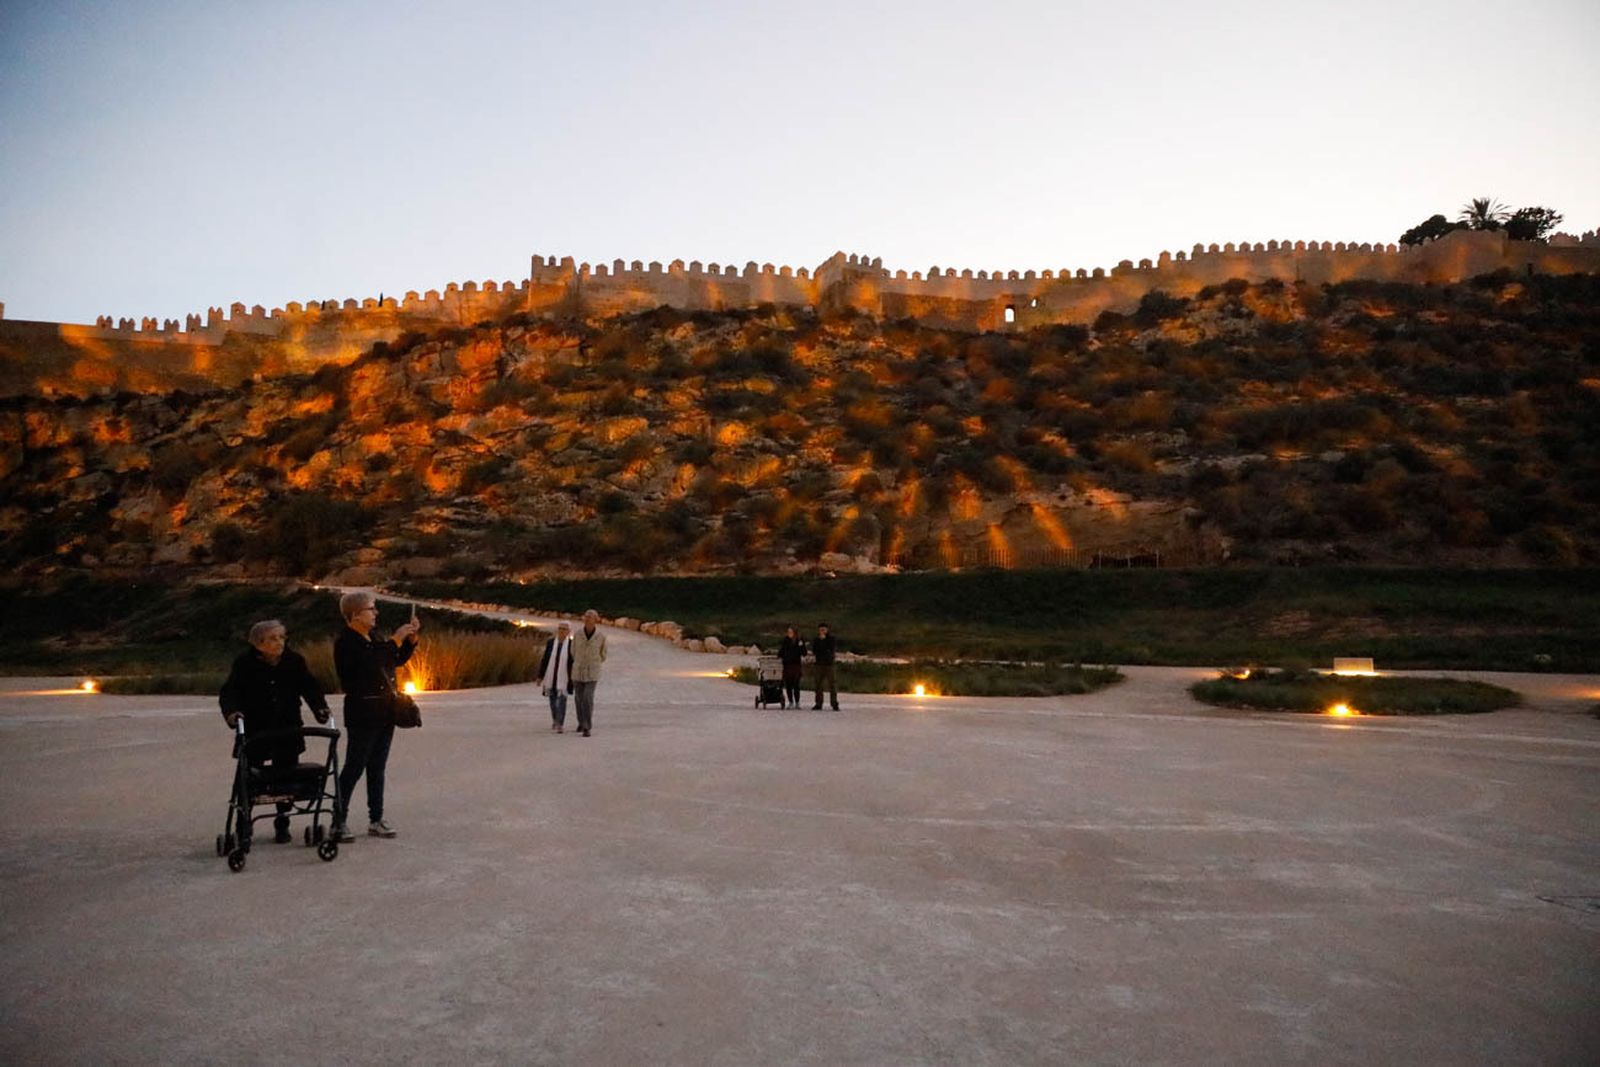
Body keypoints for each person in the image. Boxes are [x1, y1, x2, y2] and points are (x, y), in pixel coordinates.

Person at [218, 619, 330, 843]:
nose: (279, 642)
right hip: (256, 729)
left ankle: (282, 823)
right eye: (273, 638)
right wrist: (232, 714)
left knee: (286, 776)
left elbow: (309, 687)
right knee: (249, 778)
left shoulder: (294, 661)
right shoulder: (244, 664)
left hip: (288, 727)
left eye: (281, 637)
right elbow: (230, 692)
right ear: (259, 644)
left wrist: (320, 708)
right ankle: (243, 825)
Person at [332, 591, 420, 841]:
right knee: (354, 766)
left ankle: (376, 817)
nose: (376, 613)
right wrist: (396, 639)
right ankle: (339, 820)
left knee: (377, 767)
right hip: (363, 712)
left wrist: (410, 641)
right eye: (371, 609)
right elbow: (371, 663)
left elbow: (394, 660)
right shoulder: (347, 642)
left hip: (384, 711)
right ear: (355, 615)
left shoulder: (374, 637)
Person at [570, 609, 607, 737]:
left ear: (596, 619)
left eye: (590, 617)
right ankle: (581, 722)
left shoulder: (601, 636)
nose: (587, 618)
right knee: (579, 698)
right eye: (586, 616)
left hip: (592, 672)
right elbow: (573, 651)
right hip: (578, 671)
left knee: (587, 697)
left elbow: (603, 654)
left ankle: (587, 726)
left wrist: (594, 662)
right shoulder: (578, 634)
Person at [539, 621, 574, 733]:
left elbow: (573, 662)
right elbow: (545, 660)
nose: (562, 631)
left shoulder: (571, 645)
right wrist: (540, 676)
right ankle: (555, 719)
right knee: (552, 700)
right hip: (551, 676)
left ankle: (560, 723)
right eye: (560, 628)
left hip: (564, 677)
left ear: (568, 631)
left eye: (564, 629)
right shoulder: (551, 643)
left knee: (562, 701)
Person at [811, 621, 839, 711]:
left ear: (827, 630)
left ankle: (834, 703)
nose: (822, 631)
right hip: (819, 664)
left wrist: (823, 642)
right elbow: (815, 650)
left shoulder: (831, 639)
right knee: (818, 685)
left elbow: (830, 649)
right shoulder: (816, 640)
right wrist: (820, 642)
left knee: (832, 685)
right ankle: (818, 703)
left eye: (824, 629)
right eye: (820, 630)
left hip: (829, 664)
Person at [777, 625, 806, 709]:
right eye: (788, 632)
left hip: (796, 665)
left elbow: (804, 653)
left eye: (791, 632)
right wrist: (778, 656)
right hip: (787, 664)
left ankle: (797, 702)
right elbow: (782, 651)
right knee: (788, 684)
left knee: (796, 684)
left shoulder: (799, 641)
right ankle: (790, 702)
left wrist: (802, 645)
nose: (789, 634)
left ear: (794, 633)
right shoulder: (785, 640)